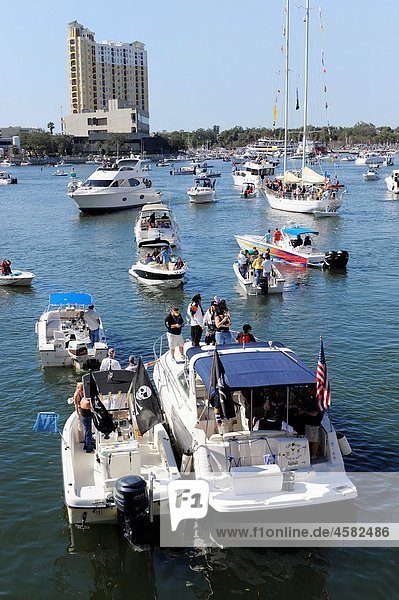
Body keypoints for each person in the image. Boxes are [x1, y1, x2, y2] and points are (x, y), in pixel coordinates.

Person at [73, 382, 93, 453]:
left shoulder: (83, 394)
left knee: (86, 431)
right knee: (88, 431)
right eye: (81, 388)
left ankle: (86, 445)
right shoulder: (77, 395)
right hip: (83, 413)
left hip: (83, 413)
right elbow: (76, 404)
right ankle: (89, 448)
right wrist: (78, 414)